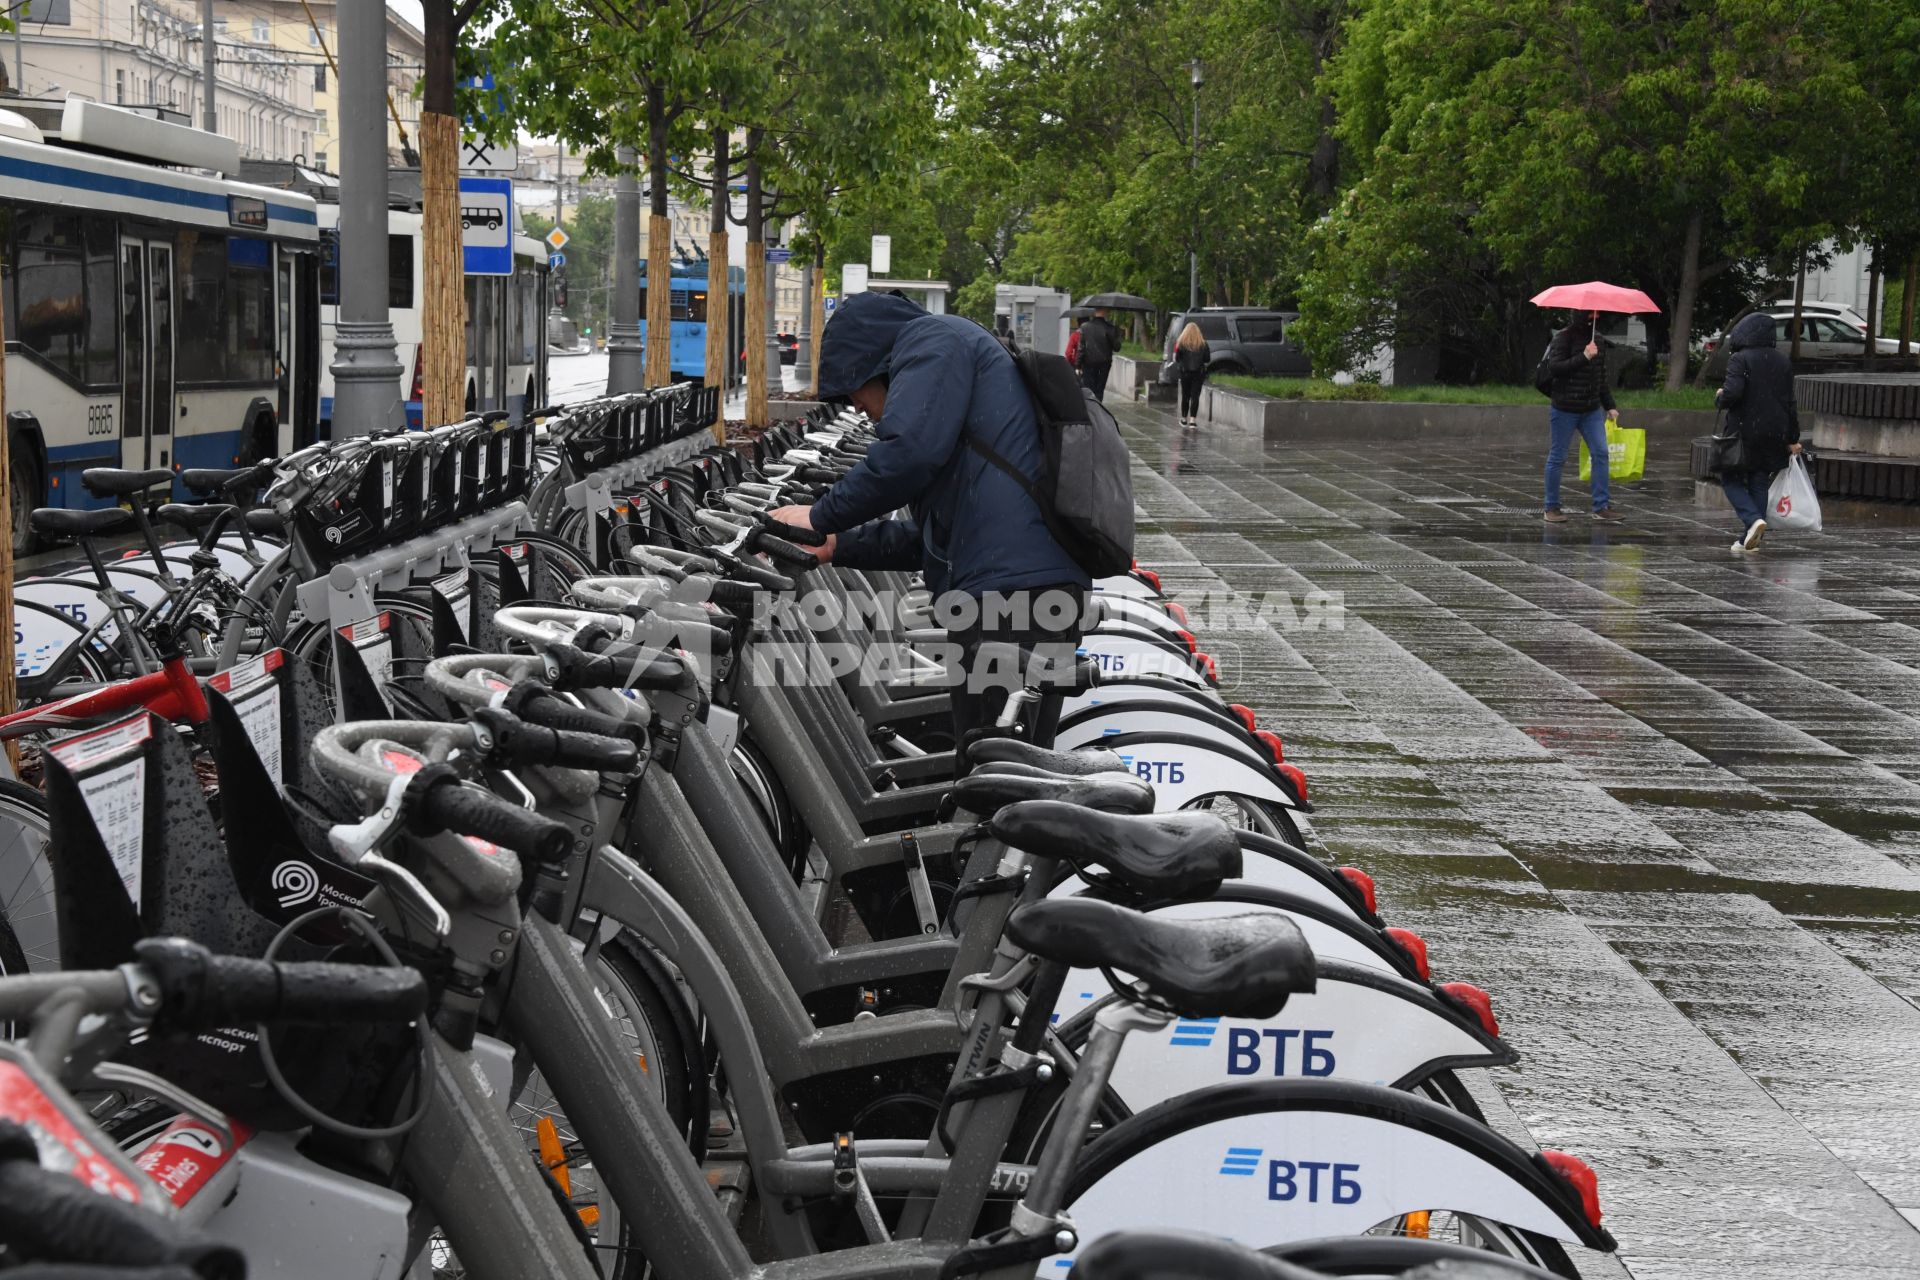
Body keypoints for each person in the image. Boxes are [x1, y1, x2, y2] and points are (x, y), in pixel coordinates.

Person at [766, 291, 1091, 755]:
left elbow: (907, 455)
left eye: (853, 391)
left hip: (1011, 599)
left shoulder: (931, 340)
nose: (856, 408)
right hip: (1025, 587)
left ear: (871, 363)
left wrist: (818, 514)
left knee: (991, 776)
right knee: (1010, 774)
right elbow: (940, 540)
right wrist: (838, 543)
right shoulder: (952, 351)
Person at [1715, 311, 1804, 552]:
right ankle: (1749, 540)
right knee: (1759, 479)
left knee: (1730, 477)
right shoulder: (1782, 361)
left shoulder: (1740, 359)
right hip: (1774, 431)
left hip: (1745, 431)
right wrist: (1793, 437)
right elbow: (1790, 402)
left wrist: (1720, 397)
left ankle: (1752, 520)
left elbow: (1733, 393)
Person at [1541, 314, 1621, 523]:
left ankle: (1601, 506)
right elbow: (1555, 368)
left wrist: (1610, 405)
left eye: (1596, 313)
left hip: (1591, 409)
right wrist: (1584, 356)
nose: (1594, 317)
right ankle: (1551, 507)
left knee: (1601, 453)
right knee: (1558, 456)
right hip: (1564, 408)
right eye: (1589, 313)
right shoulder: (1563, 338)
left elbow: (1600, 376)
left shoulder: (1599, 340)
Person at [1171, 321, 1210, 427]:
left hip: (1185, 373)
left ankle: (1184, 419)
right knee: (1195, 396)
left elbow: (1177, 359)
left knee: (1185, 395)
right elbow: (1207, 359)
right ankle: (1193, 420)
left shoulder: (1181, 344)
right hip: (1198, 373)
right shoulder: (1203, 344)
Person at [1077, 307, 1119, 401]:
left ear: (1095, 311)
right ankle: (1099, 410)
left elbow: (1081, 348)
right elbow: (1117, 347)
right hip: (1104, 364)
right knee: (1099, 390)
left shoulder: (1085, 327)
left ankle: (1091, 410)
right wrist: (1115, 334)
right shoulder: (1110, 328)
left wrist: (1078, 365)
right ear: (1105, 312)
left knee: (1089, 389)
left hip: (1088, 363)